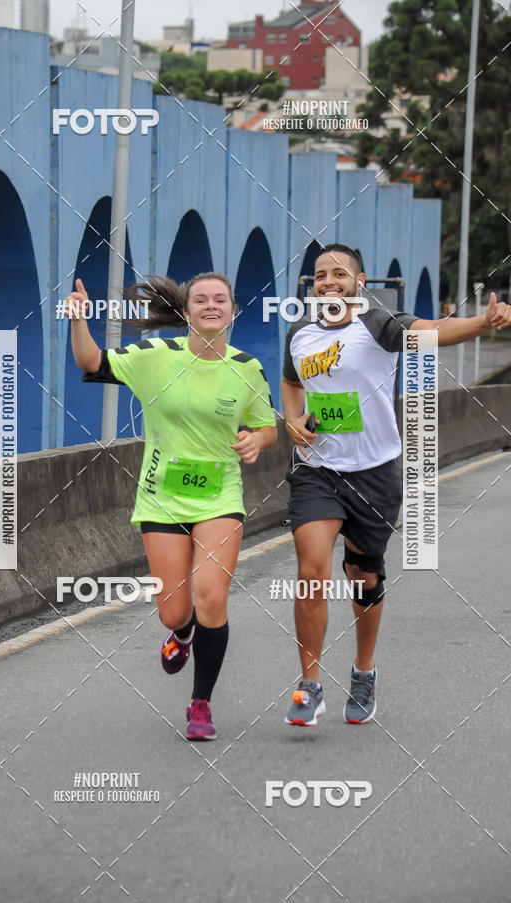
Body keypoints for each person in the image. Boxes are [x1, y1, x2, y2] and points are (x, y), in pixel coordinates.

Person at [281, 243, 511, 728]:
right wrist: (292, 418)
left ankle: (363, 672)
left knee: (364, 578)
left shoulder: (379, 325)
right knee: (311, 568)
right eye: (320, 276)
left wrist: (481, 323)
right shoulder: (299, 334)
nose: (328, 282)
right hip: (318, 470)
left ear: (358, 283)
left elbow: (434, 331)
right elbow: (291, 383)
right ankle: (309, 685)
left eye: (339, 274)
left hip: (375, 473)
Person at [64, 273, 277, 741]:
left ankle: (200, 704)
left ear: (233, 311)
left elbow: (268, 426)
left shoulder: (248, 368)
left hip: (220, 496)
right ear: (186, 312)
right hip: (161, 498)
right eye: (201, 299)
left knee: (212, 597)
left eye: (221, 299)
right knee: (174, 611)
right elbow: (91, 361)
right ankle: (181, 635)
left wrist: (255, 441)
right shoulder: (155, 358)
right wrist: (79, 320)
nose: (211, 306)